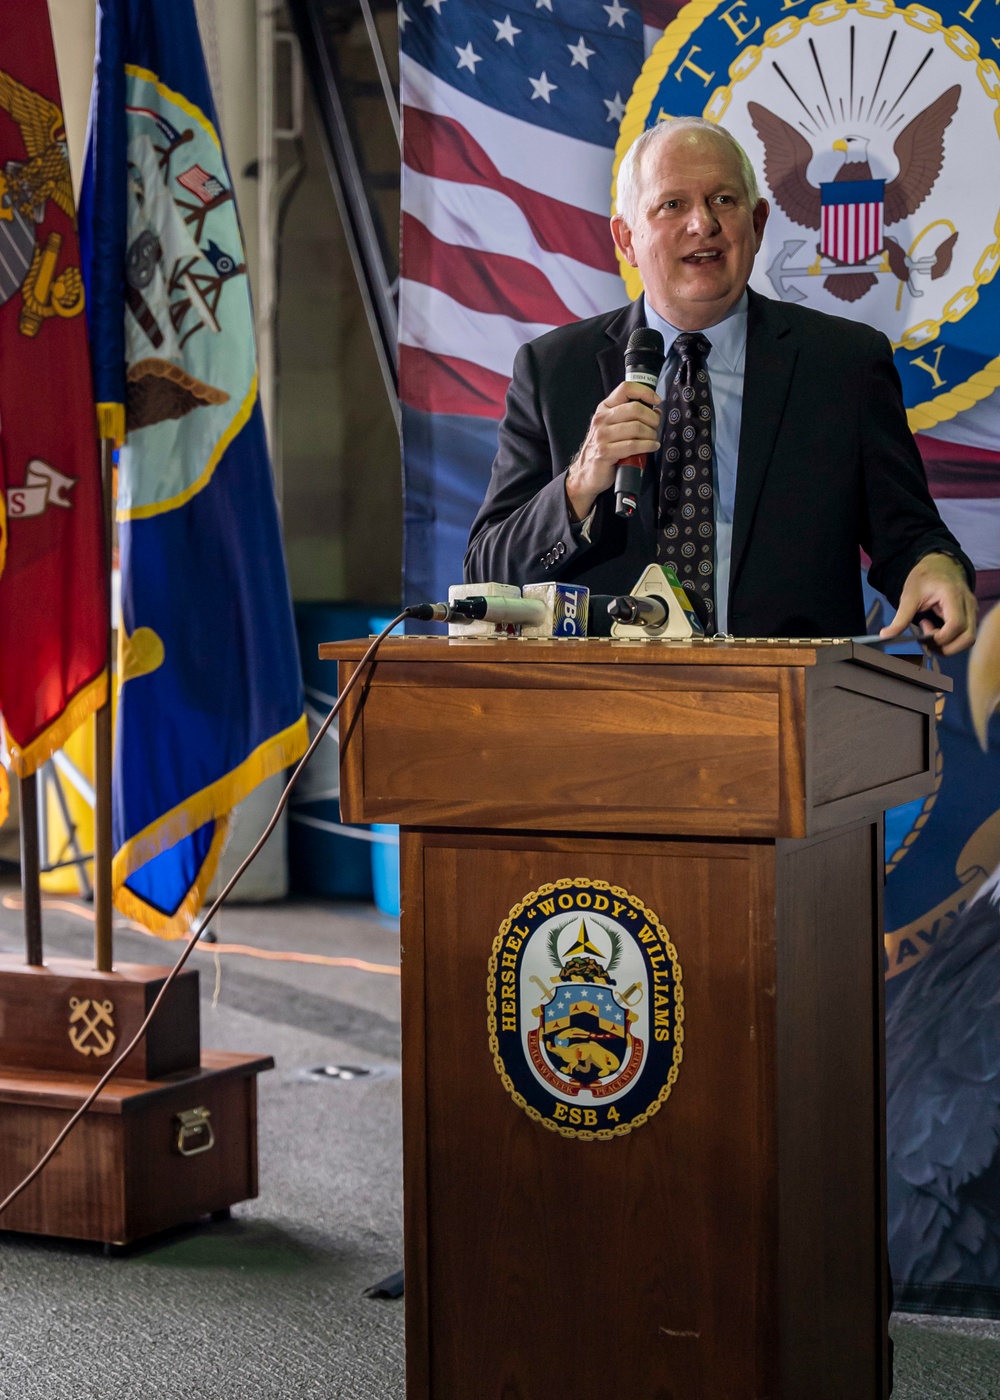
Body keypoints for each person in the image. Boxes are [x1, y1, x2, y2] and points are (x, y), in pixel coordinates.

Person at [464, 118, 977, 652]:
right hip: (608, 707)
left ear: (757, 223)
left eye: (724, 200)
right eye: (672, 205)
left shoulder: (844, 365)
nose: (702, 224)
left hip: (791, 707)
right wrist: (578, 485)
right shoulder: (552, 370)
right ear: (626, 239)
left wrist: (935, 568)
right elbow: (487, 570)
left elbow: (910, 534)